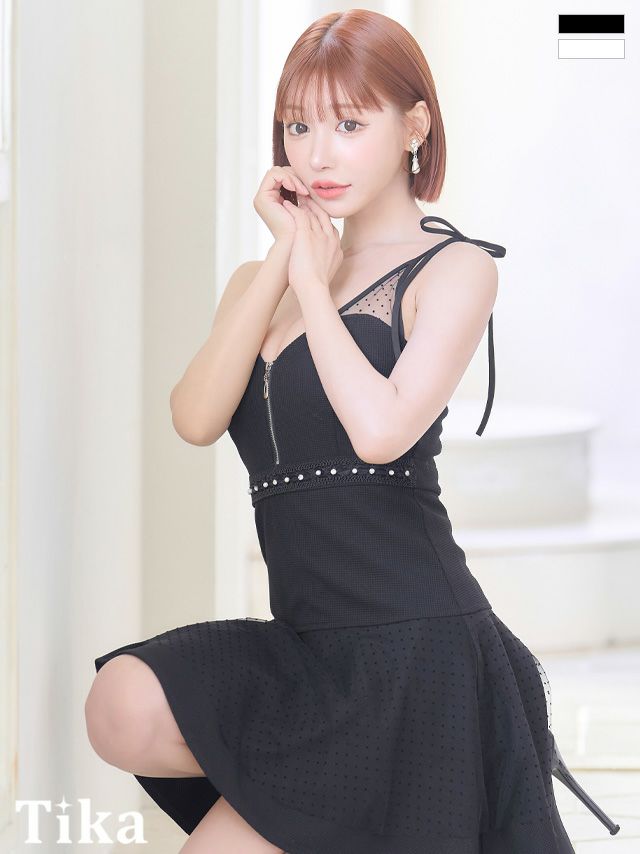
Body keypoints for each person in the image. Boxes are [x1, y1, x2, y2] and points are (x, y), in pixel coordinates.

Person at [84, 9, 620, 853]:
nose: (317, 155)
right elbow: (194, 418)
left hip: (419, 654)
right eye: (298, 127)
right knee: (121, 702)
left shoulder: (455, 270)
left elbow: (379, 432)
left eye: (348, 125)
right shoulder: (260, 280)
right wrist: (286, 260)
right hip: (310, 654)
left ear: (414, 126)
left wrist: (314, 279)